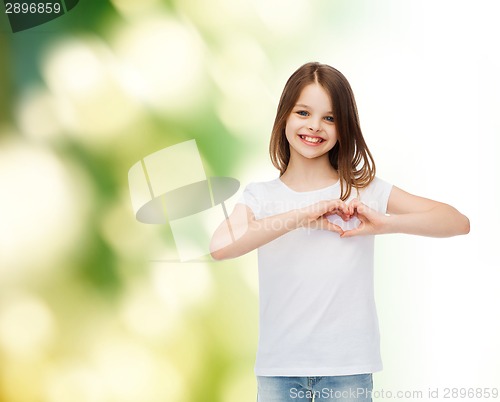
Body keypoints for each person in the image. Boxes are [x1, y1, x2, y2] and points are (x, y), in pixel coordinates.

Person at [209, 62, 470, 402]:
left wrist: (386, 223)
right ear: (284, 117)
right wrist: (303, 214)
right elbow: (220, 246)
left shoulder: (362, 189)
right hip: (279, 369)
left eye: (329, 118)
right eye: (303, 112)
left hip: (349, 367)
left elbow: (456, 222)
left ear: (344, 127)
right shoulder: (262, 197)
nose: (314, 126)